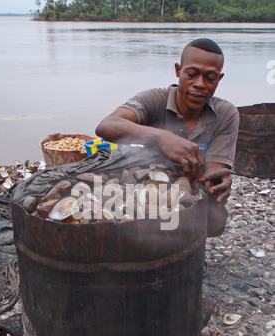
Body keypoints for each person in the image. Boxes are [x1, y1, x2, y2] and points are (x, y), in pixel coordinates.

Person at [95, 38, 240, 236]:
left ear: (219, 79)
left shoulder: (226, 113)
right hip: (143, 187)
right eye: (191, 74)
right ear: (178, 70)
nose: (200, 84)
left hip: (188, 192)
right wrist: (160, 138)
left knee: (215, 220)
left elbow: (214, 169)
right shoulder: (154, 100)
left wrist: (217, 181)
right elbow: (106, 126)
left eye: (210, 78)